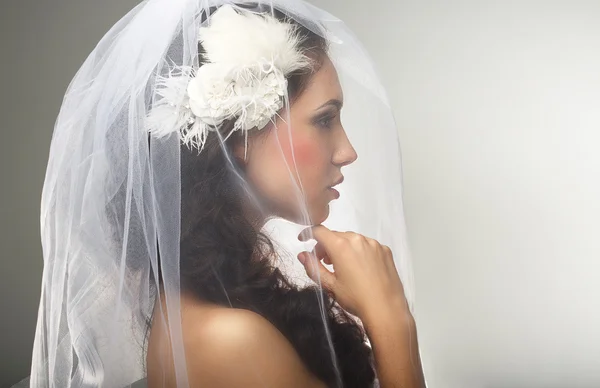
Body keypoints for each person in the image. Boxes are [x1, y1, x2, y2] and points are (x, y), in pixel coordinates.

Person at [29, 1, 425, 387]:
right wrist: (391, 321)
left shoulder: (217, 298)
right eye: (324, 119)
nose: (348, 152)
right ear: (238, 134)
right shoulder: (231, 342)